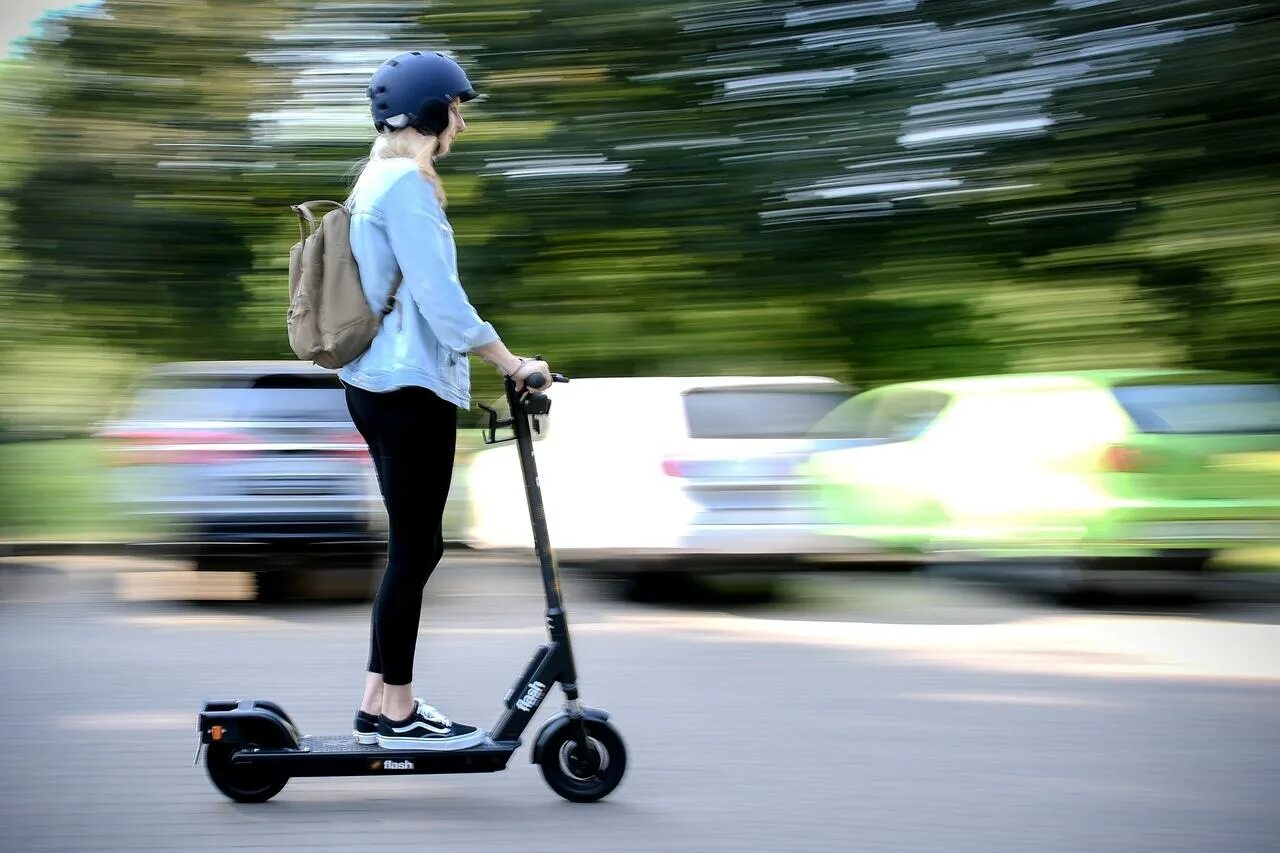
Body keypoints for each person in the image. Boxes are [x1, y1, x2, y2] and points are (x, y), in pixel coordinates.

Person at [339, 50, 550, 751]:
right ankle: (394, 711)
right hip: (405, 390)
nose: (461, 119)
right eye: (456, 106)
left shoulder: (377, 178)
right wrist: (511, 361)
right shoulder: (403, 184)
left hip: (382, 386)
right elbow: (439, 299)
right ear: (431, 112)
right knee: (415, 549)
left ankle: (381, 700)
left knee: (417, 546)